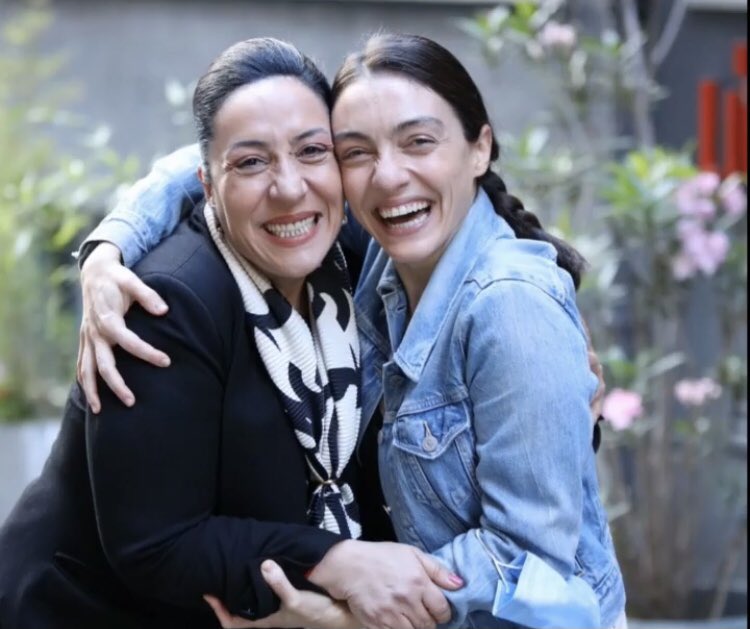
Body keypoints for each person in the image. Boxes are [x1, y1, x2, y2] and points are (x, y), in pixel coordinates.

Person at [75, 36, 625, 629]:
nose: (389, 177)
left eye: (419, 141)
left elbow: (527, 555)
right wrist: (107, 247)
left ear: (480, 147)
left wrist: (344, 616)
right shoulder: (381, 258)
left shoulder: (508, 304)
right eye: (357, 151)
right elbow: (224, 153)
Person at [0, 38, 468, 629]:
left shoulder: (356, 260)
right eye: (250, 164)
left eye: (312, 152)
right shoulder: (164, 303)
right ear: (206, 184)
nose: (289, 187)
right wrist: (335, 560)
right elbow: (156, 544)